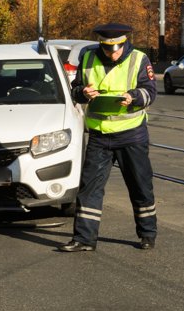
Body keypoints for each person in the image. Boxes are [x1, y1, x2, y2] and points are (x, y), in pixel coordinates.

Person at [58, 23, 158, 252]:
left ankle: (147, 234)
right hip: (99, 135)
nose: (112, 53)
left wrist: (133, 97)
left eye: (117, 48)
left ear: (124, 43)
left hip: (132, 134)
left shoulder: (139, 59)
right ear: (101, 44)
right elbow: (75, 89)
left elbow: (150, 91)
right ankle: (84, 239)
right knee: (89, 188)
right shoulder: (87, 56)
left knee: (140, 186)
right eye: (107, 48)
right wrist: (82, 92)